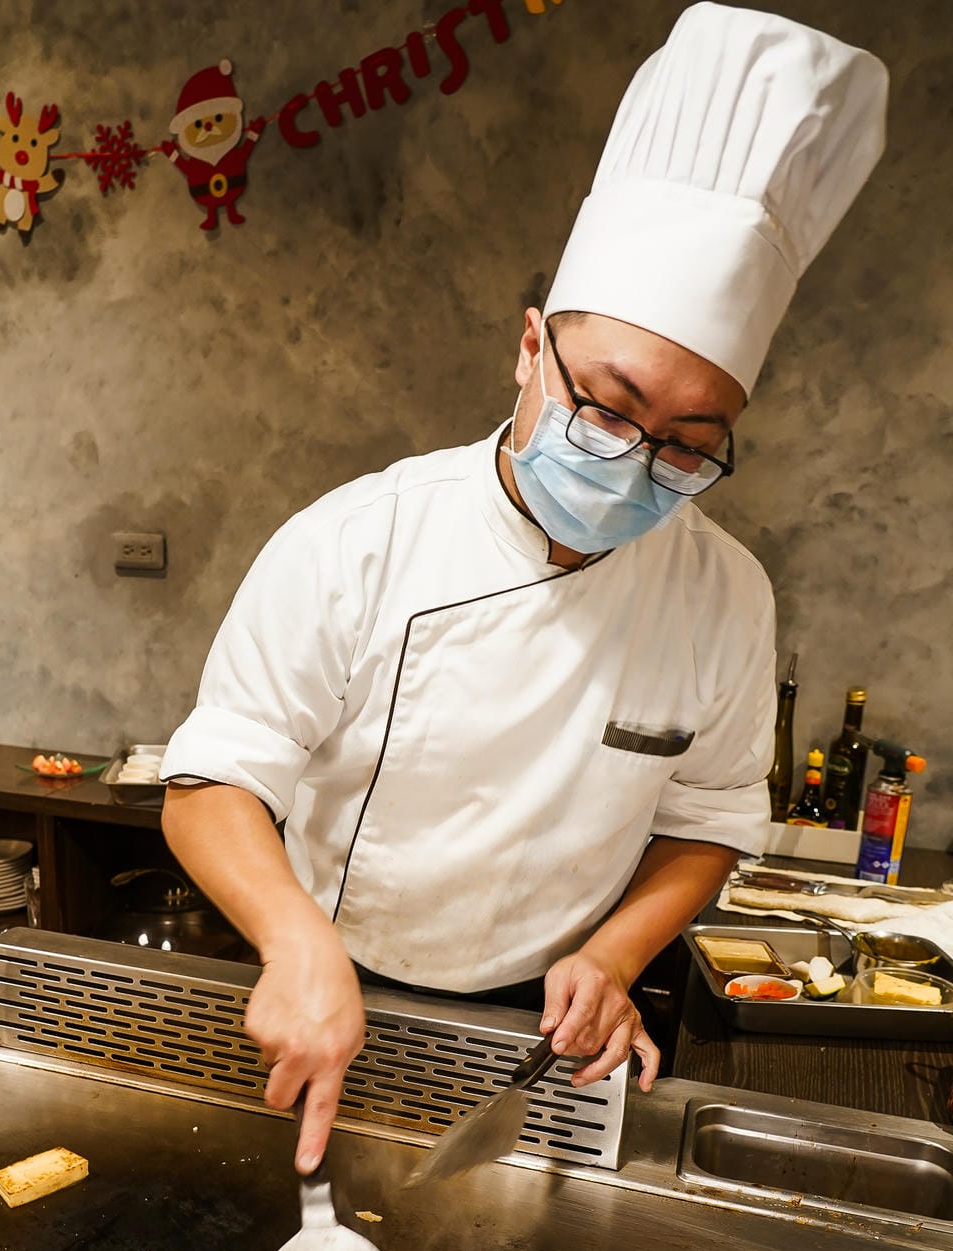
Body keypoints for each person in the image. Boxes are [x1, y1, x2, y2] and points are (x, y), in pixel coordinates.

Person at [160, 3, 888, 1173]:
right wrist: (294, 943)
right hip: (327, 980)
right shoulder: (360, 539)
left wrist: (609, 961)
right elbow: (207, 785)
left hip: (546, 1028)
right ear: (529, 345)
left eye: (690, 442)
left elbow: (707, 826)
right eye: (606, 405)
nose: (637, 460)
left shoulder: (725, 597)